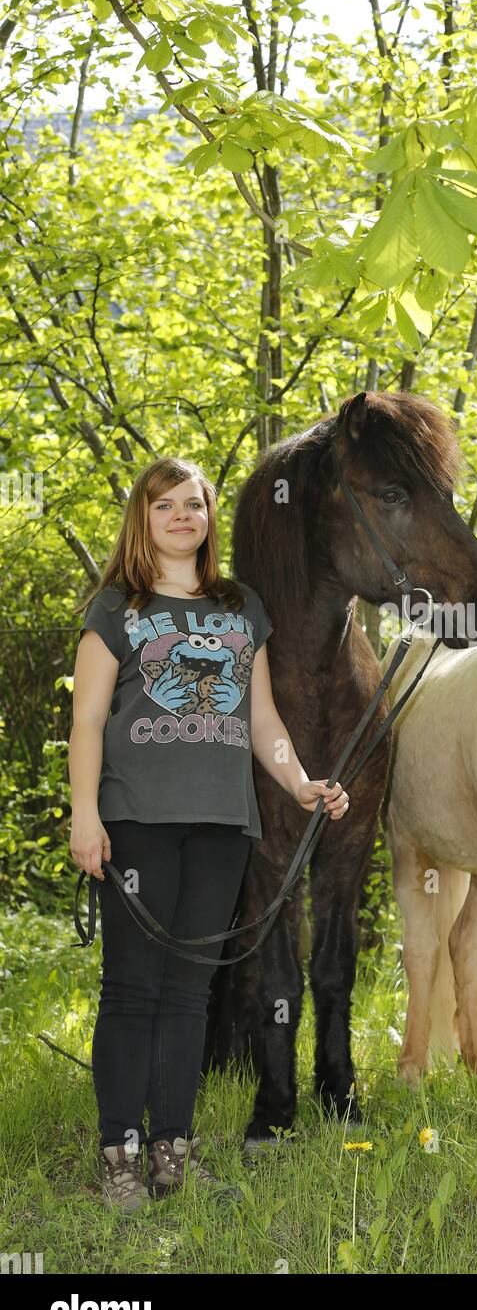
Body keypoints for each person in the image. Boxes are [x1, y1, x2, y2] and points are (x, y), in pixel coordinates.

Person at [69, 456, 349, 1211]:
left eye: (193, 505)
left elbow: (261, 720)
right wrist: (85, 815)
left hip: (224, 824)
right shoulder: (116, 609)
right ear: (144, 517)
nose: (182, 517)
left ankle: (173, 1151)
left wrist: (299, 781)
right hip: (135, 819)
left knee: (190, 993)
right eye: (166, 506)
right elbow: (88, 720)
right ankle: (120, 1152)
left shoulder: (240, 608)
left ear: (208, 517)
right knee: (133, 990)